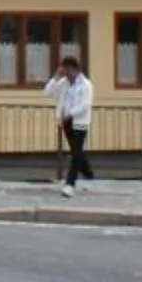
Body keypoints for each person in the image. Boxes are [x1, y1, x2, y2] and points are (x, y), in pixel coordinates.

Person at [45, 52, 96, 195]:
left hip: (79, 121)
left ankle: (70, 184)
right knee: (77, 151)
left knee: (75, 153)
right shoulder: (63, 82)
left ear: (76, 69)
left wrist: (70, 113)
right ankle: (89, 176)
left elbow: (85, 104)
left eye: (69, 70)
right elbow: (47, 92)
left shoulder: (86, 85)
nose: (66, 73)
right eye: (64, 69)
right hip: (66, 121)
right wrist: (56, 77)